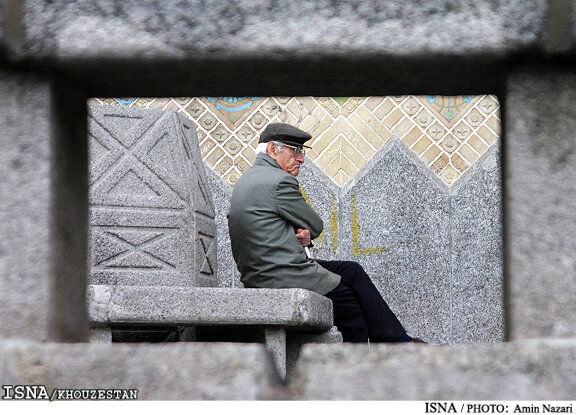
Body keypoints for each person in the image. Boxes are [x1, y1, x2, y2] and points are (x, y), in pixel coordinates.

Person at [227, 122, 425, 343]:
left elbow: (268, 222)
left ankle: (396, 340)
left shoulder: (245, 180)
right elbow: (315, 225)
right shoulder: (280, 181)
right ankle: (356, 367)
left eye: (301, 152)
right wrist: (306, 233)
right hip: (282, 273)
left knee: (351, 271)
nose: (301, 159)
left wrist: (298, 233)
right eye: (295, 151)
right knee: (348, 305)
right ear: (273, 150)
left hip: (260, 273)